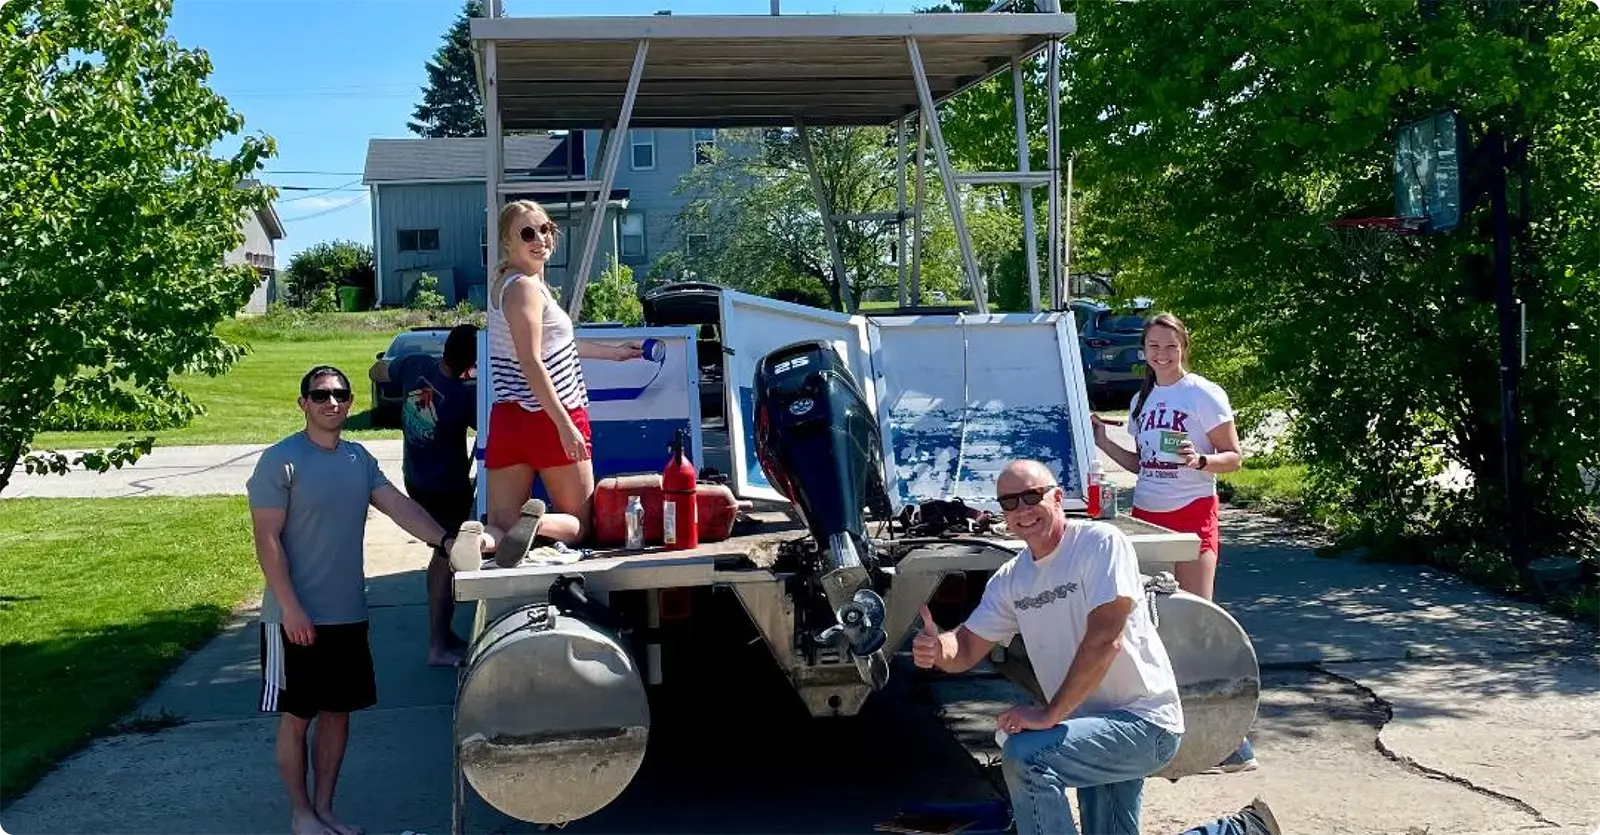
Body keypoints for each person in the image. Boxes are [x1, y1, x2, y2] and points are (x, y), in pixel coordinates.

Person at [911, 459, 1279, 835]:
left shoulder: (1099, 544)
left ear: (1057, 498)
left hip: (1143, 723)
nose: (1022, 510)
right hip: (1087, 726)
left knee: (1027, 758)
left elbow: (1106, 639)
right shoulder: (1012, 578)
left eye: (1031, 496)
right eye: (1009, 502)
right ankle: (1243, 830)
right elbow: (968, 645)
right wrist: (939, 649)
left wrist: (1051, 714)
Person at [247, 365, 490, 835]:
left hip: (347, 614)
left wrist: (446, 543)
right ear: (303, 404)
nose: (330, 402)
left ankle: (324, 810)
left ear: (350, 401)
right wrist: (290, 607)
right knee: (297, 717)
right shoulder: (281, 461)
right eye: (320, 395)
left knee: (338, 714)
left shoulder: (359, 460)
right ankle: (300, 815)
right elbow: (267, 540)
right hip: (292, 617)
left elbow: (400, 507)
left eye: (339, 394)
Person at [1089, 311, 1256, 774]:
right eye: (1153, 347)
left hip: (1192, 517)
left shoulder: (1202, 393)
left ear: (1184, 347)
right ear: (1144, 351)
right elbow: (1143, 464)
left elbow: (1234, 458)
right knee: (1150, 627)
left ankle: (1232, 744)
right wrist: (1104, 441)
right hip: (1147, 517)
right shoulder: (1142, 398)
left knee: (1198, 625)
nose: (1161, 354)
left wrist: (1201, 459)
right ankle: (1167, 738)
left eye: (1170, 346)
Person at [481, 199, 642, 562]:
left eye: (546, 229)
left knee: (500, 526)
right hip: (552, 416)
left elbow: (556, 345)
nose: (540, 239)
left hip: (509, 418)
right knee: (579, 525)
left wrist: (613, 352)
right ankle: (536, 525)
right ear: (507, 242)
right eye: (527, 233)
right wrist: (565, 424)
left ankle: (476, 541)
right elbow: (531, 361)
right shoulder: (525, 288)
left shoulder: (505, 284)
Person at [368, 323, 480, 667]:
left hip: (415, 478)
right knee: (445, 560)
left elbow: (377, 370)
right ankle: (437, 646)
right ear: (473, 364)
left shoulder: (416, 364)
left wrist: (392, 368)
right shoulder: (465, 396)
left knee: (443, 558)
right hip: (446, 488)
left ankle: (444, 636)